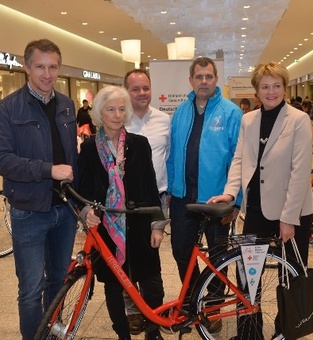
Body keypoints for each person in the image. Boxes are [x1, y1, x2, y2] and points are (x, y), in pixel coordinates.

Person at [208, 62, 313, 340]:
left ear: (284, 87)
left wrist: (288, 219)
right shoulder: (249, 120)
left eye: (276, 85)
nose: (271, 92)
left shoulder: (299, 120)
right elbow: (240, 160)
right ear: (257, 91)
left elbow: (300, 171)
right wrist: (231, 192)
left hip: (292, 211)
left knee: (290, 275)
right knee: (248, 275)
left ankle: (286, 330)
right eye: (265, 86)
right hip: (255, 210)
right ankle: (249, 333)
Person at [0, 39, 78, 340]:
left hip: (64, 210)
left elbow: (72, 157)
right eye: (40, 66)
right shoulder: (6, 109)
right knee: (30, 289)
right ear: (26, 67)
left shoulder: (67, 105)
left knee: (58, 282)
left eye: (53, 67)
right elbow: (1, 160)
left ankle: (52, 335)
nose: (47, 74)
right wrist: (47, 170)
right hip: (29, 211)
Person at [78, 85, 166, 340]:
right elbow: (82, 189)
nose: (117, 114)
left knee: (151, 283)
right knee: (114, 287)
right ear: (99, 113)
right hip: (106, 229)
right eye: (110, 109)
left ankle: (153, 331)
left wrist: (157, 225)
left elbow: (151, 187)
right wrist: (85, 210)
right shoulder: (89, 148)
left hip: (139, 224)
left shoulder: (140, 144)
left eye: (121, 109)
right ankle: (122, 334)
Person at [166, 57, 242, 333]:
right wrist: (173, 191)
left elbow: (239, 160)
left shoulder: (231, 113)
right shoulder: (181, 113)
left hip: (217, 201)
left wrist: (237, 201)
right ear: (191, 81)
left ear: (216, 78)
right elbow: (173, 155)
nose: (204, 81)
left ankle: (213, 305)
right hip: (183, 198)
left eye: (209, 76)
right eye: (199, 77)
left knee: (218, 257)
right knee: (181, 252)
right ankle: (191, 300)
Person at [122, 69, 170, 335]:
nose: (142, 93)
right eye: (136, 89)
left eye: (146, 88)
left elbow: (170, 158)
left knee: (151, 257)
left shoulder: (164, 120)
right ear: (126, 91)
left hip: (157, 199)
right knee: (126, 258)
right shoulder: (118, 120)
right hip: (125, 203)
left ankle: (154, 310)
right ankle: (132, 311)